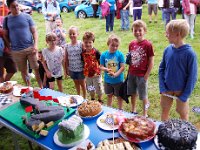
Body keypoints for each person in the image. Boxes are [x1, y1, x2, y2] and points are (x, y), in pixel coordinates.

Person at [159, 19, 198, 121]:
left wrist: (185, 95)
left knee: (183, 113)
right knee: (164, 109)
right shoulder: (167, 50)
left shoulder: (190, 54)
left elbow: (192, 77)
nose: (165, 35)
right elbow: (161, 68)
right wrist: (162, 87)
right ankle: (163, 131)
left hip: (181, 91)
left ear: (178, 34)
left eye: (168, 33)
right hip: (167, 89)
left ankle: (184, 134)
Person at [3, 0, 43, 88]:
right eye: (13, 6)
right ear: (9, 8)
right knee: (23, 71)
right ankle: (28, 88)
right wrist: (9, 46)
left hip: (30, 48)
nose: (16, 8)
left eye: (17, 5)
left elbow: (34, 31)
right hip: (17, 51)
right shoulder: (6, 19)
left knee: (36, 68)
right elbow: (5, 34)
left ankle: (41, 87)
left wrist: (35, 45)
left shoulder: (27, 16)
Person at [126, 20, 154, 117]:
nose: (137, 32)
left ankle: (145, 113)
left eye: (140, 30)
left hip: (142, 75)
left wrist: (146, 75)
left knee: (143, 96)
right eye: (135, 30)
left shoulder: (148, 45)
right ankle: (133, 110)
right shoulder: (131, 44)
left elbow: (151, 61)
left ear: (144, 31)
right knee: (133, 93)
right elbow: (130, 59)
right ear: (132, 31)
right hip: (132, 73)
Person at [100, 34, 125, 110]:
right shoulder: (104, 55)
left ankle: (120, 109)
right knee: (109, 95)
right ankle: (109, 109)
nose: (115, 47)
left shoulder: (120, 54)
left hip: (118, 80)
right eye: (112, 45)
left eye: (116, 46)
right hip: (108, 80)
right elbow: (101, 66)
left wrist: (116, 75)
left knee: (119, 96)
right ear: (108, 44)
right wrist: (106, 69)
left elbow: (122, 67)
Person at [65, 26, 87, 99]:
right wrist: (67, 68)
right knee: (76, 83)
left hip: (81, 69)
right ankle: (78, 96)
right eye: (70, 34)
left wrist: (86, 67)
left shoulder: (81, 44)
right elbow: (66, 58)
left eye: (74, 33)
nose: (72, 35)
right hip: (72, 69)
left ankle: (84, 97)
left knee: (82, 84)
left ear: (77, 34)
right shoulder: (67, 46)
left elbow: (85, 55)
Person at [81, 31, 104, 103]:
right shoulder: (83, 53)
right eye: (86, 42)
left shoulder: (96, 52)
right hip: (88, 75)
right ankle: (93, 99)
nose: (88, 44)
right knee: (91, 88)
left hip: (96, 74)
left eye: (90, 42)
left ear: (93, 42)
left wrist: (100, 70)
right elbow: (83, 62)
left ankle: (100, 99)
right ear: (83, 42)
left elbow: (100, 61)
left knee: (98, 87)